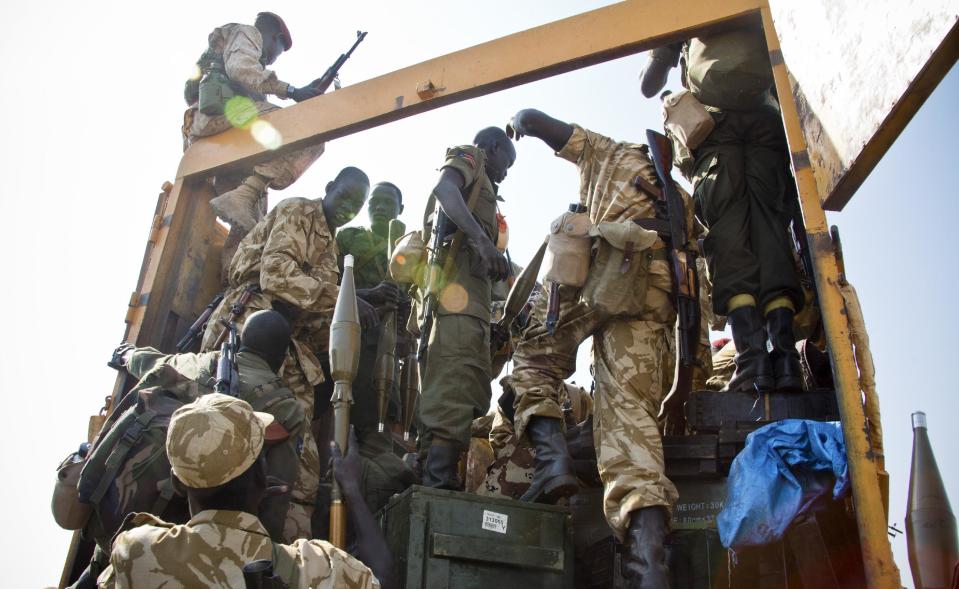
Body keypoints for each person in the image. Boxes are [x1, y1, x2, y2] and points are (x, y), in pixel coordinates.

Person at [506, 108, 695, 588]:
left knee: (532, 357)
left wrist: (519, 122)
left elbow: (538, 120)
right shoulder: (683, 199)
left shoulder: (607, 150)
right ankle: (649, 571)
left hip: (610, 278)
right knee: (630, 428)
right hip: (661, 299)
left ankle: (551, 465)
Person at [200, 166, 397, 540]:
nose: (349, 208)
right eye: (345, 197)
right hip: (251, 329)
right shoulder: (299, 212)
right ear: (329, 188)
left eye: (356, 204)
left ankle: (281, 546)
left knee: (297, 455)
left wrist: (363, 302)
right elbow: (277, 275)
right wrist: (348, 299)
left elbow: (321, 304)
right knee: (231, 432)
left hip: (291, 348)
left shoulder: (330, 247)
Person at [639, 26, 804, 393]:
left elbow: (648, 85)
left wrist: (668, 45)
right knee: (772, 238)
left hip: (714, 131)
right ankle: (786, 359)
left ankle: (752, 360)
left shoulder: (682, 10)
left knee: (728, 239)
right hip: (768, 124)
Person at [96, 394, 391, 589]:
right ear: (263, 476)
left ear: (177, 484)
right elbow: (383, 580)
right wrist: (350, 488)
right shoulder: (317, 569)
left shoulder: (136, 553)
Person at [113, 310, 303, 541]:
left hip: (143, 499)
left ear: (242, 340)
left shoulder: (195, 364)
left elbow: (153, 363)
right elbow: (281, 486)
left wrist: (127, 354)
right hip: (218, 523)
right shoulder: (287, 407)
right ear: (283, 358)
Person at [183, 12, 327, 269]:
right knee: (309, 131)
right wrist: (292, 92)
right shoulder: (248, 33)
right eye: (277, 52)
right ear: (273, 37)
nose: (271, 58)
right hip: (215, 118)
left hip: (222, 133)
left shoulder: (232, 46)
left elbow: (252, 95)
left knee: (250, 222)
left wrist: (304, 94)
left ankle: (233, 276)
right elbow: (241, 69)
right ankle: (249, 189)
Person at [416, 127, 515, 489]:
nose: (507, 170)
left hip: (470, 307)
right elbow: (444, 190)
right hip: (454, 305)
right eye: (508, 159)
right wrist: (484, 244)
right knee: (452, 393)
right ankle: (437, 485)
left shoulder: (489, 192)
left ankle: (435, 480)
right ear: (493, 147)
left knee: (466, 391)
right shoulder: (471, 156)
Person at [335, 181, 415, 512]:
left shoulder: (412, 248)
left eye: (388, 202)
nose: (380, 207)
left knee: (380, 427)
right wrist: (367, 296)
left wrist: (403, 303)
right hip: (348, 343)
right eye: (375, 202)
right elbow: (331, 281)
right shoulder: (349, 238)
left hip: (388, 352)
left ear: (400, 210)